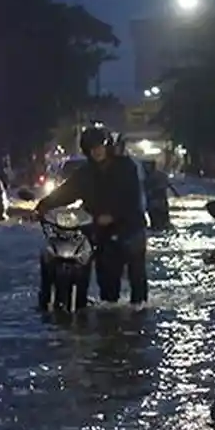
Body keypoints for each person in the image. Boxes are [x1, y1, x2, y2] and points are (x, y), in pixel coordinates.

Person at [36, 125, 148, 309]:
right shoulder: (85, 174)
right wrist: (43, 206)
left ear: (107, 146)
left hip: (130, 226)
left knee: (136, 272)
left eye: (99, 146)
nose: (97, 151)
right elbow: (66, 192)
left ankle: (139, 309)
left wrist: (113, 215)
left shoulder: (125, 167)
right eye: (92, 148)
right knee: (106, 280)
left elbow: (132, 196)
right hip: (101, 230)